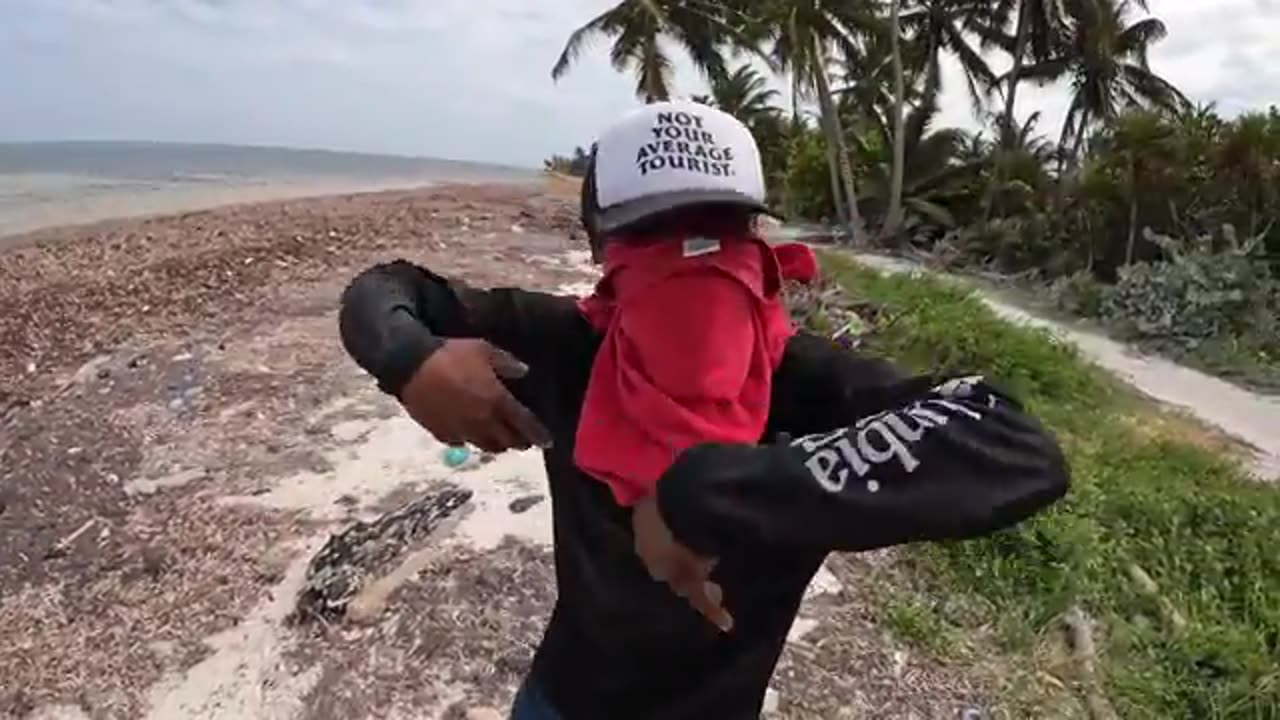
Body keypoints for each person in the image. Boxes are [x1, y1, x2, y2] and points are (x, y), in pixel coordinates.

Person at [337, 100, 1069, 720]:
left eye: (718, 235)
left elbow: (1010, 437)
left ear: (756, 245)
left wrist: (703, 494)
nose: (692, 267)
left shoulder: (805, 379)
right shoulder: (564, 346)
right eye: (654, 240)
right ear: (604, 255)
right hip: (562, 700)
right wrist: (412, 362)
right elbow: (388, 288)